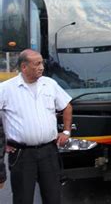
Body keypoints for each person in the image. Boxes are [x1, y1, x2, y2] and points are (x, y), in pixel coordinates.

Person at [0, 49, 72, 204]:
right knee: (23, 198)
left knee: (53, 197)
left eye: (42, 63)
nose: (42, 67)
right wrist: (3, 141)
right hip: (21, 155)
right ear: (24, 67)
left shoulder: (50, 84)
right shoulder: (6, 89)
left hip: (49, 151)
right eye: (37, 64)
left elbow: (66, 106)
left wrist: (66, 131)